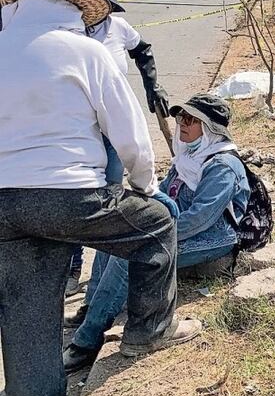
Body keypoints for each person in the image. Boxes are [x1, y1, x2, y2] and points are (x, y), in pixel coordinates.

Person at [0, 0, 199, 396]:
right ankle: (149, 331)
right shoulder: (85, 52)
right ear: (73, 7)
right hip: (71, 195)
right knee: (158, 225)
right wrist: (145, 186)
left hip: (4, 205)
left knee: (27, 314)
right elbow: (130, 136)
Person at [64, 94, 248, 375]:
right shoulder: (188, 155)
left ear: (210, 128)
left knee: (130, 257)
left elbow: (202, 219)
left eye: (191, 119)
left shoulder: (222, 166)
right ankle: (91, 310)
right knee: (113, 239)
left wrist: (155, 233)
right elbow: (163, 193)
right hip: (176, 227)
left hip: (214, 238)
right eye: (180, 118)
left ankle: (86, 343)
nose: (182, 124)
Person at [62, 0, 171, 297]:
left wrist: (154, 88)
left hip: (112, 126)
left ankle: (103, 277)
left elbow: (143, 51)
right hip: (78, 127)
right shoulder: (66, 29)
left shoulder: (119, 29)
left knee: (107, 196)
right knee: (76, 195)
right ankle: (72, 266)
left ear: (109, 4)